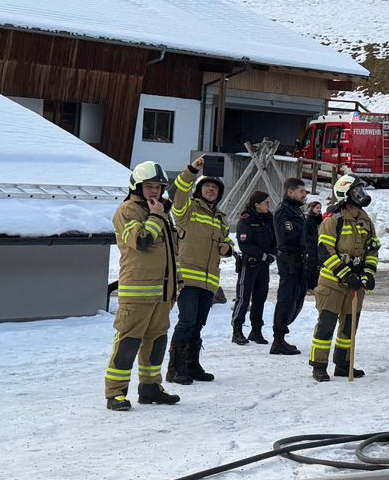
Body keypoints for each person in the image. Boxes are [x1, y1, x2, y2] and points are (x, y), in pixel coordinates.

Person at [105, 160, 181, 410]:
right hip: (137, 293)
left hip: (163, 293)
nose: (154, 191)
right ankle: (115, 393)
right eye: (149, 186)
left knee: (156, 342)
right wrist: (157, 216)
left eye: (158, 187)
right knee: (128, 342)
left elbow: (171, 252)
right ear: (137, 187)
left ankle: (150, 387)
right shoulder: (127, 210)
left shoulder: (161, 211)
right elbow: (142, 240)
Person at [309, 174, 380, 382]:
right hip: (332, 282)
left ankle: (343, 364)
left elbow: (372, 250)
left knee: (349, 326)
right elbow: (325, 252)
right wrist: (345, 274)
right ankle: (319, 365)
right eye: (357, 191)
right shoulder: (333, 220)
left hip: (355, 284)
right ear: (345, 196)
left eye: (362, 190)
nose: (362, 195)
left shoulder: (366, 221)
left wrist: (368, 273)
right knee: (326, 324)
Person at [167, 161, 230, 384]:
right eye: (207, 186)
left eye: (215, 188)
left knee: (198, 324)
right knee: (186, 322)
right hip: (188, 279)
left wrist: (228, 247)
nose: (211, 190)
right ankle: (175, 368)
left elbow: (226, 239)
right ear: (199, 189)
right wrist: (192, 170)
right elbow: (179, 190)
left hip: (209, 281)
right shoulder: (186, 210)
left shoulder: (220, 218)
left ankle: (191, 364)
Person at [268, 177, 313, 356]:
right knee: (286, 298)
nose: (304, 194)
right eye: (301, 191)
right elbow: (289, 235)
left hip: (298, 259)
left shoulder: (295, 210)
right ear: (290, 192)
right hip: (289, 260)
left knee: (297, 296)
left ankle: (282, 334)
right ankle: (278, 339)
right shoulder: (284, 211)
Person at [231, 191, 276, 346]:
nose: (268, 205)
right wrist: (263, 255)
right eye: (266, 202)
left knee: (260, 298)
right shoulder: (246, 220)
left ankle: (256, 330)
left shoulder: (269, 219)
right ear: (257, 204)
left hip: (263, 266)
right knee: (243, 298)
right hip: (249, 264)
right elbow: (245, 244)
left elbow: (275, 239)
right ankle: (237, 331)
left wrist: (272, 254)